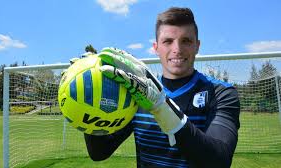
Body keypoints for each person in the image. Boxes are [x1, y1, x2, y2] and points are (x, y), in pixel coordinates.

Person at [84, 7, 240, 168]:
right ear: (156, 47)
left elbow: (219, 161)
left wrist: (161, 107)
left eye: (186, 41)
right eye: (168, 41)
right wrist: (91, 97)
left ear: (197, 46)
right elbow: (99, 152)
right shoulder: (136, 91)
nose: (177, 50)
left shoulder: (221, 93)